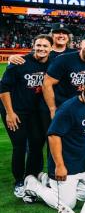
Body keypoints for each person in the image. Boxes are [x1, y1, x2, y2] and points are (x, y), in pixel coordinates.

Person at [22, 73, 85, 209]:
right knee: (68, 204)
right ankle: (32, 184)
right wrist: (59, 166)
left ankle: (46, 180)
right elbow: (53, 136)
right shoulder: (68, 108)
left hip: (83, 164)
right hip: (66, 164)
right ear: (82, 87)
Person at [0, 34, 53, 198]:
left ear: (51, 48)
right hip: (16, 111)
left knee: (37, 144)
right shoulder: (20, 62)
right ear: (33, 45)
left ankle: (32, 176)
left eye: (45, 46)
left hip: (36, 113)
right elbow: (3, 89)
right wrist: (9, 113)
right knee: (20, 145)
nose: (41, 49)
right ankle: (19, 181)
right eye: (39, 45)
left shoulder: (53, 64)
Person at [43, 30, 85, 116]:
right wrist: (52, 109)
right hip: (61, 107)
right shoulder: (64, 59)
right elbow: (46, 84)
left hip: (82, 109)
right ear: (80, 44)